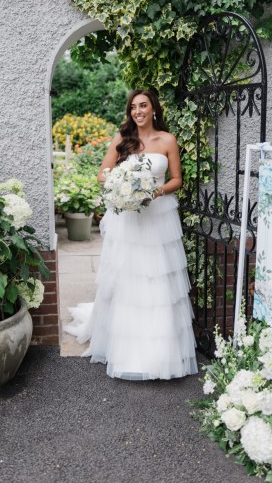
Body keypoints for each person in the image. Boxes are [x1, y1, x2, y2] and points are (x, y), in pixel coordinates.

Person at [65, 89, 198, 380]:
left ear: (153, 109)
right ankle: (126, 349)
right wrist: (121, 182)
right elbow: (103, 173)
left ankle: (161, 352)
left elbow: (177, 179)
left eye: (143, 106)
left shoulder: (167, 140)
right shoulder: (122, 139)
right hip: (128, 221)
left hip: (158, 219)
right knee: (129, 278)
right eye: (133, 107)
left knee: (158, 279)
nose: (138, 111)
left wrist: (154, 191)